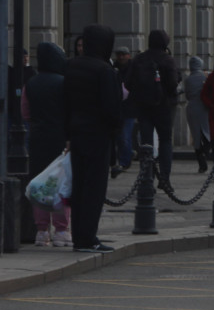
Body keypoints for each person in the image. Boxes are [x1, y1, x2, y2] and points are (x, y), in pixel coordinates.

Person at [64, 25, 124, 253]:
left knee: (79, 186)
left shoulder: (71, 65)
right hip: (98, 135)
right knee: (94, 188)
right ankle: (88, 237)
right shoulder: (104, 70)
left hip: (76, 133)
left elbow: (66, 102)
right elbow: (111, 107)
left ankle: (78, 235)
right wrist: (115, 128)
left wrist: (67, 133)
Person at [23, 41, 70, 246]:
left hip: (37, 136)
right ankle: (61, 230)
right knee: (60, 183)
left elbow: (25, 112)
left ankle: (41, 230)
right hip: (60, 137)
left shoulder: (31, 83)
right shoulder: (64, 82)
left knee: (40, 182)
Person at [126, 29, 180, 185]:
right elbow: (172, 84)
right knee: (165, 141)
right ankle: (164, 178)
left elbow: (128, 83)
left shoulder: (139, 59)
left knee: (146, 143)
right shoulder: (167, 60)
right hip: (164, 107)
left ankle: (146, 177)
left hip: (144, 107)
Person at [182, 56, 210, 172]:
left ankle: (200, 160)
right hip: (204, 107)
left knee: (196, 135)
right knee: (207, 134)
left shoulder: (188, 79)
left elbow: (187, 95)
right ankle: (205, 153)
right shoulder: (206, 76)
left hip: (192, 108)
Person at [111, 46, 136, 174]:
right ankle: (127, 155)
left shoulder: (134, 69)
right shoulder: (113, 68)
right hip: (117, 107)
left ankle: (124, 161)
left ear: (128, 56)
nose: (121, 57)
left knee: (124, 136)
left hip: (129, 107)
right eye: (119, 54)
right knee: (120, 137)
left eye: (123, 54)